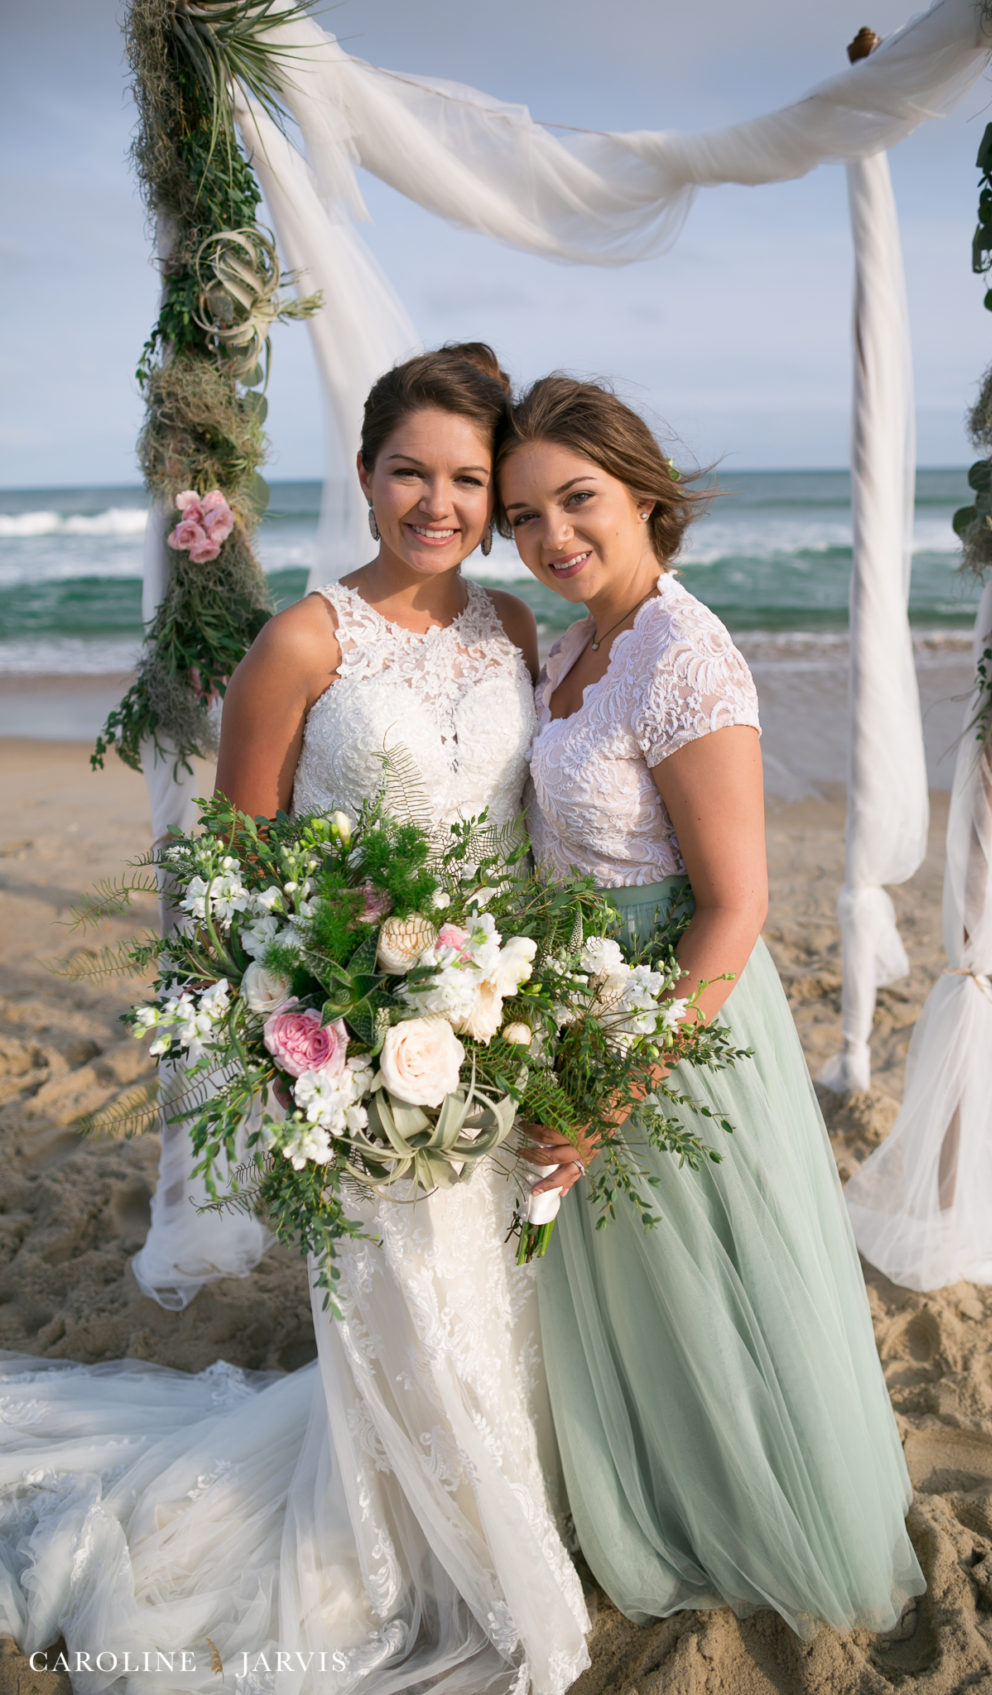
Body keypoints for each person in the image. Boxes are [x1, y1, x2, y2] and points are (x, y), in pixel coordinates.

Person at [0, 346, 590, 1695]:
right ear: (367, 472)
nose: (434, 502)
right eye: (407, 472)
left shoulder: (511, 629)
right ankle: (419, 1550)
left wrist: (536, 998)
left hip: (497, 1019)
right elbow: (237, 864)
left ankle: (499, 1499)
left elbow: (536, 829)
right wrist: (302, 1023)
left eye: (463, 478)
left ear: (492, 491)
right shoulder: (304, 640)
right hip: (357, 1039)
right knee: (406, 1304)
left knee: (500, 1298)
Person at [496, 374, 926, 1640]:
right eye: (520, 517)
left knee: (708, 1282)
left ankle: (740, 1515)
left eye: (576, 500)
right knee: (627, 1288)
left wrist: (612, 1083)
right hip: (571, 996)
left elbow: (734, 905)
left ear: (640, 492)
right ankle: (644, 1486)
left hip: (672, 1014)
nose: (551, 536)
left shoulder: (683, 656)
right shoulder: (575, 643)